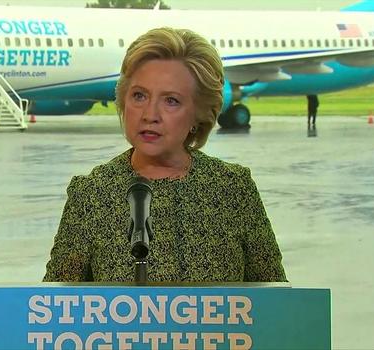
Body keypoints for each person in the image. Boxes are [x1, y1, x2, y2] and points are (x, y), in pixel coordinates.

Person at [43, 27, 286, 283]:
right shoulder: (92, 194)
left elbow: (275, 302)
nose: (150, 114)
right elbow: (55, 306)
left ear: (199, 113)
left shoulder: (233, 188)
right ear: (123, 101)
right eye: (139, 96)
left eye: (171, 100)